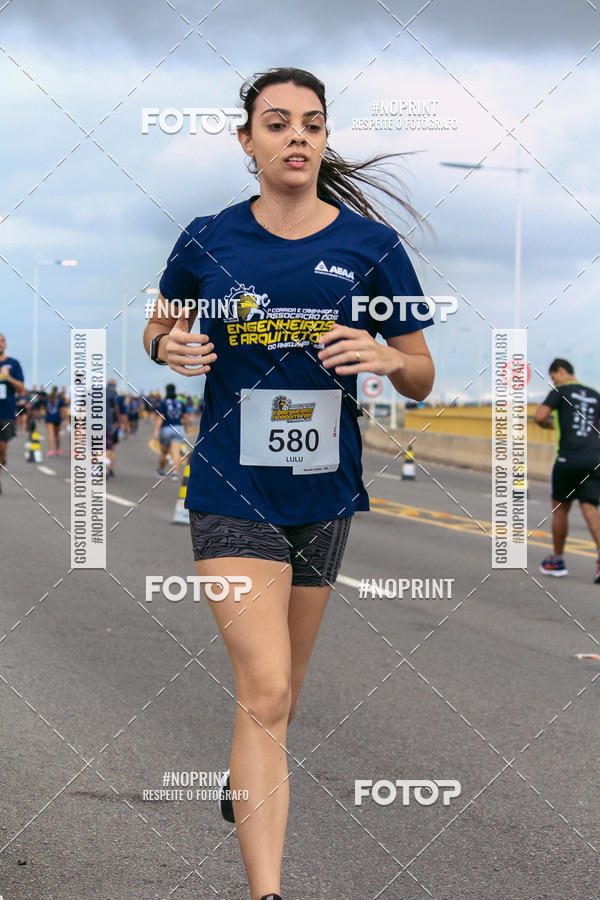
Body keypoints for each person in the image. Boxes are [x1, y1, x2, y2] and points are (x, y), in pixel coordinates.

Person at [143, 67, 435, 900]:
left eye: (311, 123)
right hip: (231, 487)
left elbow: (420, 372)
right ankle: (267, 892)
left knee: (279, 701)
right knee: (264, 687)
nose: (296, 136)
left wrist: (384, 356)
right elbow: (160, 325)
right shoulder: (207, 240)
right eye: (276, 123)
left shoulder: (371, 248)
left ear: (325, 138)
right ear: (248, 141)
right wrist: (167, 347)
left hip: (324, 492)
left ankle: (247, 778)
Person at [535, 358, 600, 582]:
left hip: (568, 459)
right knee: (590, 509)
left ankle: (557, 561)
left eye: (553, 377)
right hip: (594, 458)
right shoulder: (594, 395)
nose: (554, 381)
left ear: (561, 372)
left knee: (560, 508)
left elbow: (540, 416)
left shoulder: (560, 391)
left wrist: (545, 424)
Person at [0, 333, 25, 492]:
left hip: (6, 413)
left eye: (2, 341)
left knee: (1, 448)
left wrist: (9, 378)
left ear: (5, 344)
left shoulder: (13, 363)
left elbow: (21, 388)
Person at [153, 383, 188, 479]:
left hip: (166, 429)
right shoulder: (180, 403)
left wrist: (156, 431)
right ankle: (175, 473)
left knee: (164, 452)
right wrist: (185, 428)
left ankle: (161, 471)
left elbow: (161, 417)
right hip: (178, 428)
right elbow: (185, 417)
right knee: (176, 451)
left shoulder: (164, 403)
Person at [44, 386, 66, 455]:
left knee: (50, 434)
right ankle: (58, 449)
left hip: (49, 417)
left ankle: (51, 450)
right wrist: (64, 419)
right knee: (57, 435)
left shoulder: (47, 398)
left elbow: (44, 407)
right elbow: (62, 410)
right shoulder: (60, 399)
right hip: (57, 418)